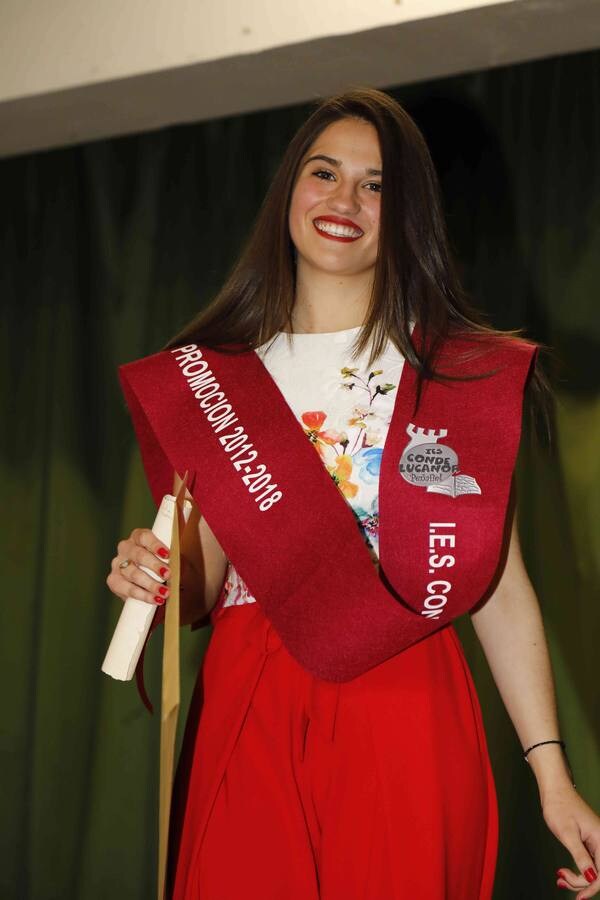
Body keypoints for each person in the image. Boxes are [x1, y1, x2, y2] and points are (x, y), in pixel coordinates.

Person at [106, 87, 600, 899]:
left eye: (376, 185)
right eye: (324, 173)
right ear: (287, 196)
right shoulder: (217, 378)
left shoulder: (454, 376)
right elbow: (206, 579)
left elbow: (497, 590)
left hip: (405, 685)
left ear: (407, 212)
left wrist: (552, 775)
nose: (345, 201)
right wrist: (153, 576)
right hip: (250, 687)